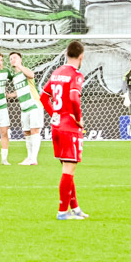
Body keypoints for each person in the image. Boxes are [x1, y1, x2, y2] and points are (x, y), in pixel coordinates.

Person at [39, 39, 87, 220]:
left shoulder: (57, 72)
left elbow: (44, 97)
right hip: (69, 127)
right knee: (69, 170)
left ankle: (75, 208)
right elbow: (74, 97)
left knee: (67, 168)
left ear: (67, 54)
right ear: (81, 57)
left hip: (57, 125)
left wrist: (55, 114)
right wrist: (78, 118)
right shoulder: (76, 75)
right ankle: (62, 211)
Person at [7, 51, 43, 165]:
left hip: (34, 105)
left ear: (20, 59)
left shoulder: (25, 71)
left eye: (15, 58)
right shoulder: (15, 77)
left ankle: (34, 158)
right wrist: (8, 95)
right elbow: (18, 91)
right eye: (11, 59)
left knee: (34, 131)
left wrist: (19, 65)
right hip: (24, 107)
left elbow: (32, 75)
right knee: (27, 132)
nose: (12, 60)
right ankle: (29, 157)